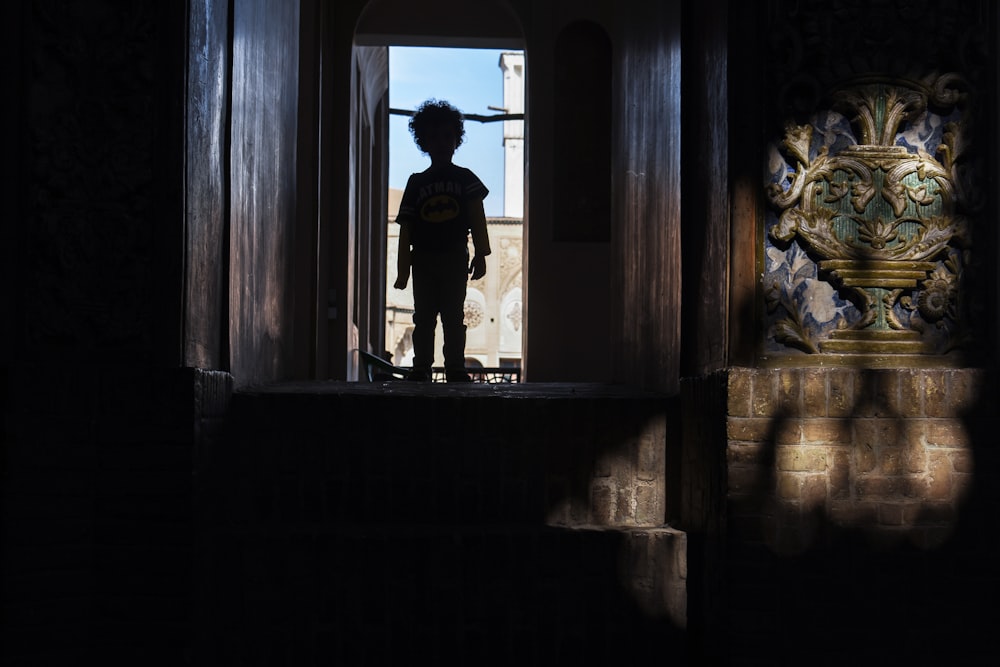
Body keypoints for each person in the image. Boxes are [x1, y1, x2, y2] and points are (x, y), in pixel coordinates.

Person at [393, 99, 491, 382]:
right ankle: (422, 366)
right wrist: (403, 271)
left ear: (456, 139)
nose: (441, 143)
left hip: (455, 256)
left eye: (447, 136)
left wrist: (481, 253)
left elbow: (477, 217)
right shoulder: (416, 183)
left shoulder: (465, 178)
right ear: (424, 141)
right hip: (423, 260)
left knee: (452, 316)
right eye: (433, 137)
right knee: (423, 317)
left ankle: (455, 367)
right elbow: (406, 230)